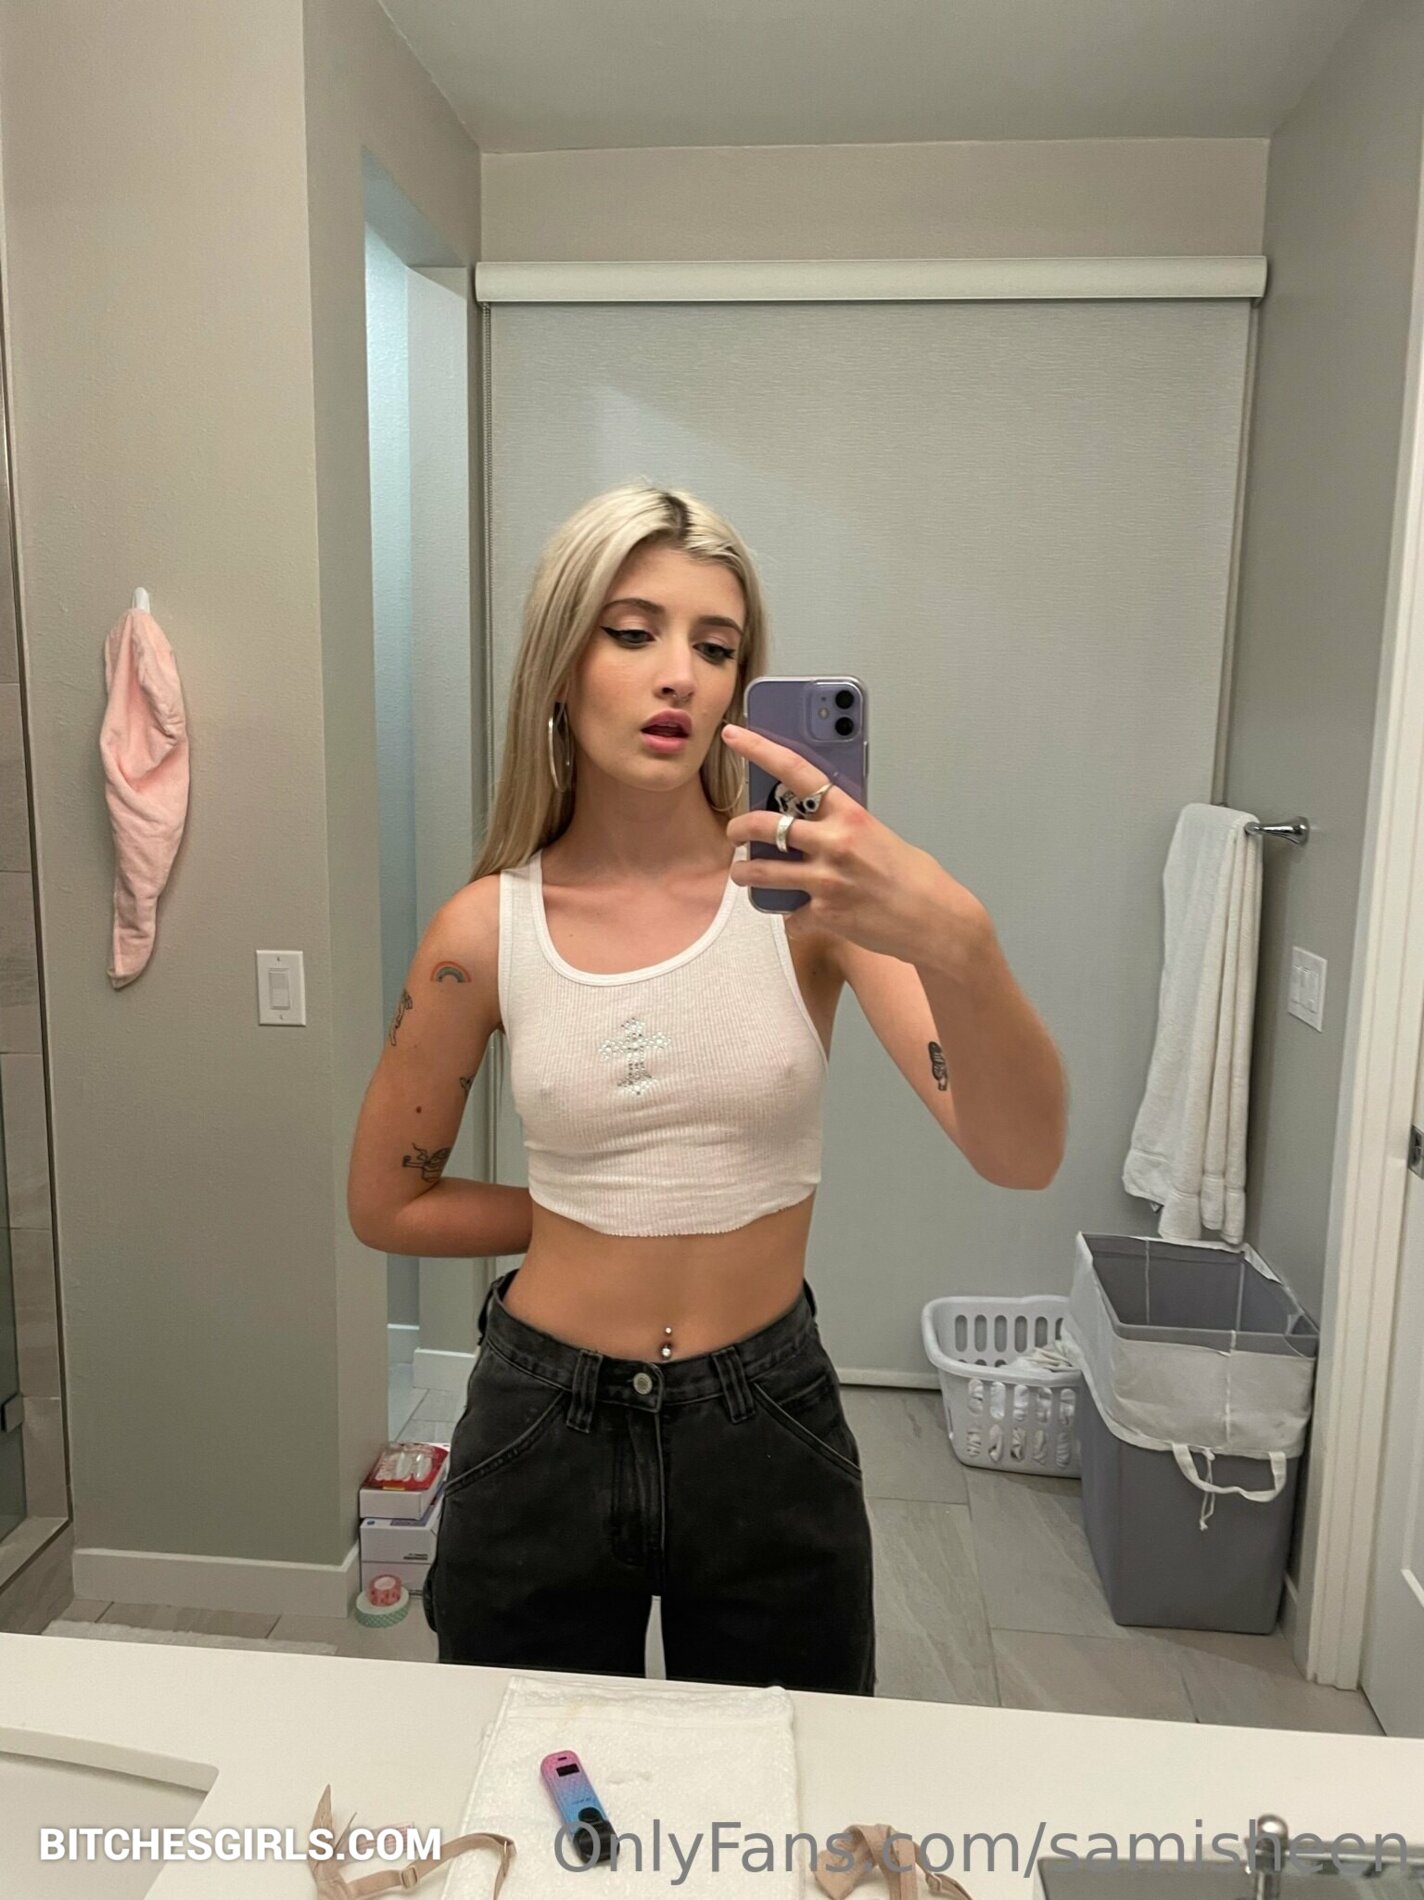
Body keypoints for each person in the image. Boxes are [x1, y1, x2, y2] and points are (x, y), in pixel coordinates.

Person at [347, 482, 1067, 1694]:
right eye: (633, 632)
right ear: (559, 667)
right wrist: (584, 1220)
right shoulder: (483, 929)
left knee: (781, 1783)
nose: (679, 674)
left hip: (764, 1418)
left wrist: (958, 937)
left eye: (716, 646)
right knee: (532, 1779)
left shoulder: (811, 904)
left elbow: (1019, 1152)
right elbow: (386, 1202)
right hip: (539, 1422)